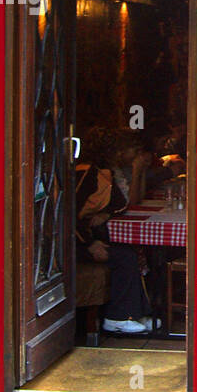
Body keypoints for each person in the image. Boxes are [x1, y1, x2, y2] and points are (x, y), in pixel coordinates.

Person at [75, 128, 155, 335]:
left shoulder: (104, 173)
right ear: (117, 151)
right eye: (131, 150)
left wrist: (106, 214)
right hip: (72, 243)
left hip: (86, 238)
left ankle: (136, 313)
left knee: (129, 251)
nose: (134, 155)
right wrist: (89, 244)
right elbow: (67, 213)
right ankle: (116, 317)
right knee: (124, 256)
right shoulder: (86, 174)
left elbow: (120, 205)